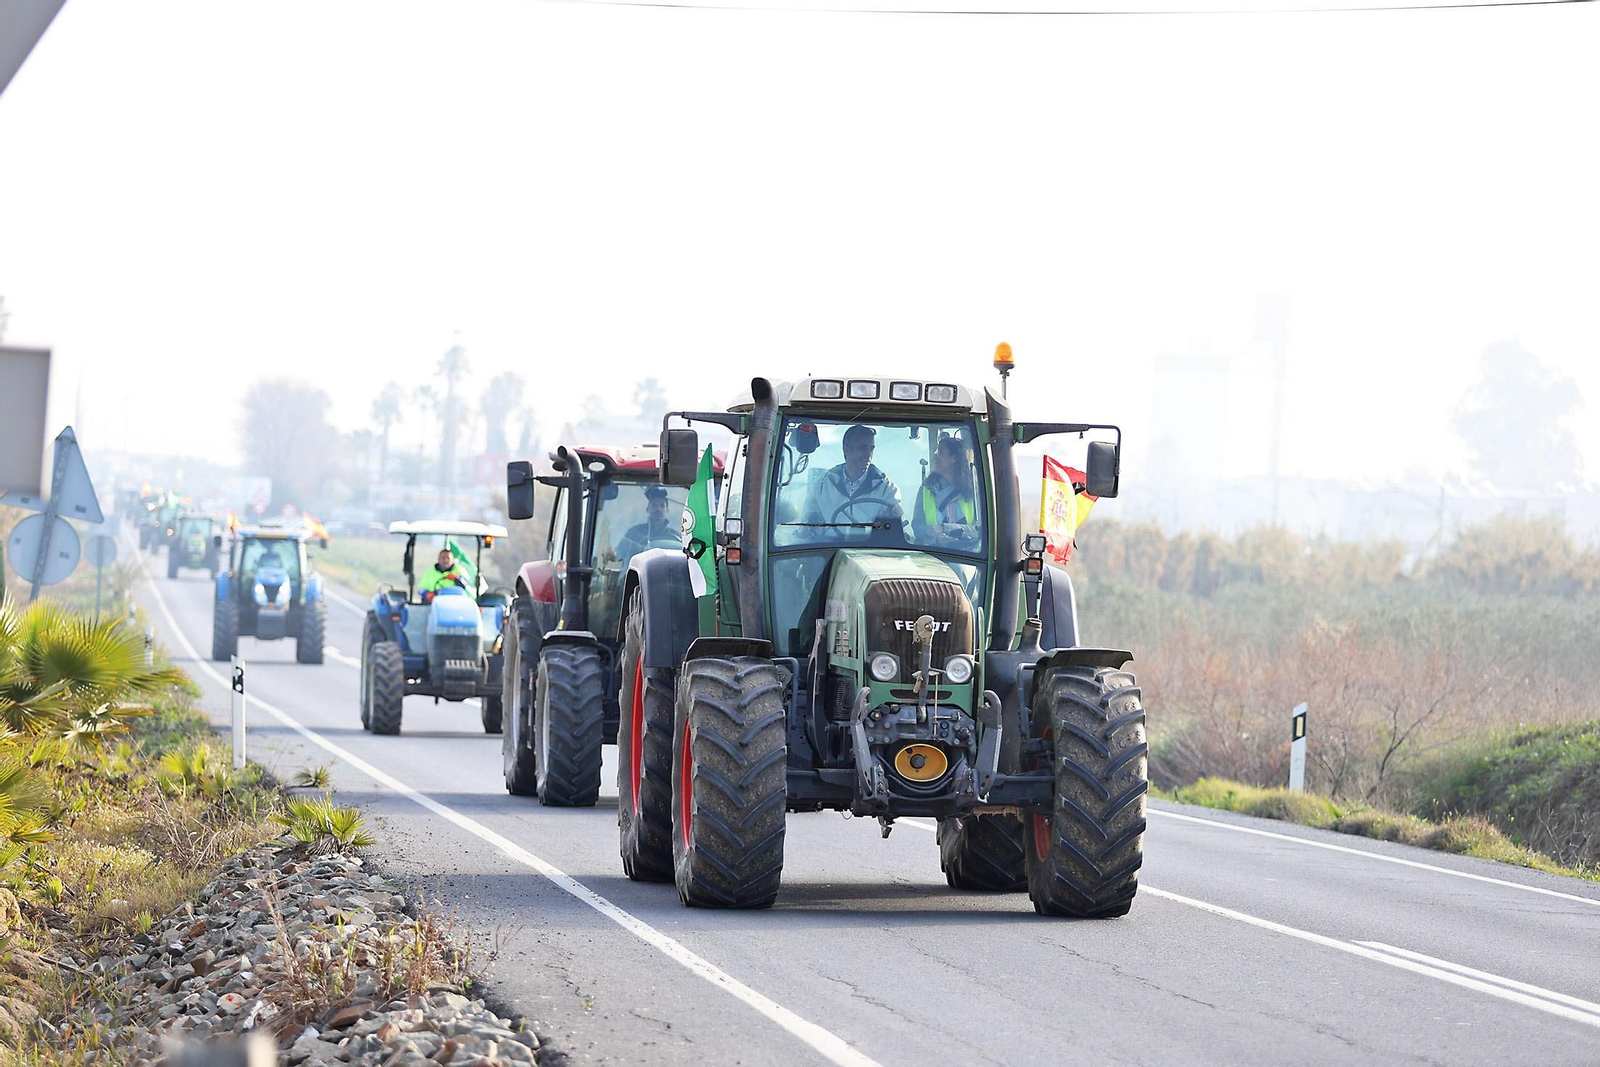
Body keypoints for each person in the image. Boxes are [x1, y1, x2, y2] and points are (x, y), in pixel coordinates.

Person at [801, 424, 903, 532]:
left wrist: (893, 516)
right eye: (863, 447)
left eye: (871, 448)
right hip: (829, 546)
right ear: (847, 449)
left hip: (870, 547)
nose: (868, 454)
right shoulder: (822, 485)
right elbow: (805, 528)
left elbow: (895, 531)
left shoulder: (887, 489)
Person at [912, 435, 980, 548]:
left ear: (954, 458)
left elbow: (980, 529)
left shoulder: (973, 490)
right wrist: (937, 538)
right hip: (934, 552)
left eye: (940, 452)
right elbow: (917, 524)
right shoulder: (926, 489)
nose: (935, 457)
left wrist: (945, 528)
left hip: (968, 554)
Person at [618, 486, 677, 559]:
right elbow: (618, 557)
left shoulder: (675, 538)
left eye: (662, 506)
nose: (658, 509)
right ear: (647, 509)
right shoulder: (633, 534)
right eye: (654, 505)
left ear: (667, 511)